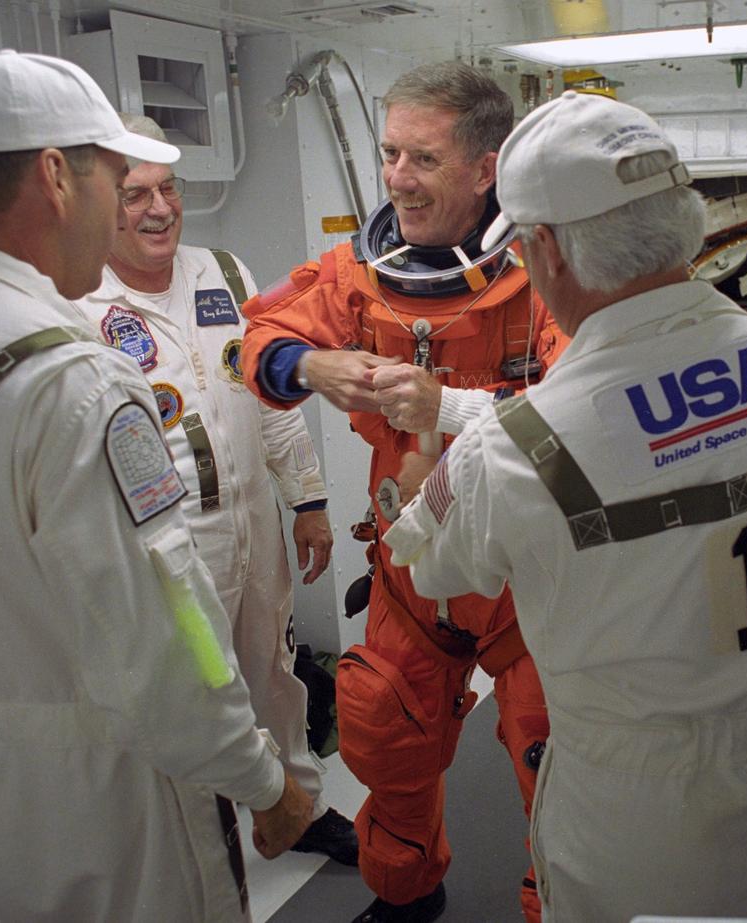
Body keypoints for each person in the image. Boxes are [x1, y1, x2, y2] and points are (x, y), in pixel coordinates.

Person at [384, 91, 747, 922]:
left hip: (632, 822)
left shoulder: (519, 447)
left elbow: (430, 565)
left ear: (548, 251)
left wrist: (418, 484)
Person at [0, 51, 313, 922]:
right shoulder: (77, 383)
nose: (128, 211)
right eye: (114, 179)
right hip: (113, 803)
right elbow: (172, 636)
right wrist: (265, 780)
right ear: (56, 175)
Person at [241, 61, 560, 923]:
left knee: (556, 754)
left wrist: (453, 406)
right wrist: (310, 364)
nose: (397, 177)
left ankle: (562, 906)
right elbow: (259, 338)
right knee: (386, 729)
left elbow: (586, 403)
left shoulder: (545, 270)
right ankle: (406, 894)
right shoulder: (358, 271)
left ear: (486, 168)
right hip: (411, 559)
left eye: (422, 158)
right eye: (389, 154)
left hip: (527, 571)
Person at [70, 113, 358, 866]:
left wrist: (309, 500)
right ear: (101, 203)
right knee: (196, 688)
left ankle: (302, 806)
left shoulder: (223, 273)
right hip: (170, 546)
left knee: (274, 673)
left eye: (168, 189)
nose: (159, 208)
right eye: (135, 194)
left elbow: (268, 396)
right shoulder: (79, 303)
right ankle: (210, 840)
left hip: (253, 521)